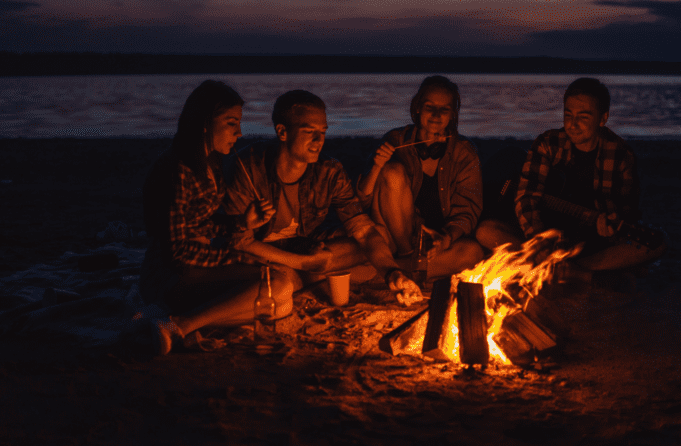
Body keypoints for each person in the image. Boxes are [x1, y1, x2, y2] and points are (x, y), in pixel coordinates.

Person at [141, 80, 329, 355]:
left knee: (281, 302)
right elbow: (178, 252)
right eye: (231, 123)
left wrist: (241, 223)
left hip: (196, 267)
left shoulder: (210, 165)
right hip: (168, 276)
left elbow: (200, 223)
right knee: (276, 287)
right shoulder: (178, 171)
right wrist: (235, 256)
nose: (239, 133)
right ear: (205, 122)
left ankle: (188, 321)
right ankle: (180, 324)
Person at [225, 90, 422, 306]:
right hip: (261, 254)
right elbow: (239, 241)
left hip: (302, 247)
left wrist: (392, 273)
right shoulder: (249, 167)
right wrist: (304, 262)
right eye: (309, 131)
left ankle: (306, 274)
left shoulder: (329, 171)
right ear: (282, 132)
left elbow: (364, 231)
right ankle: (304, 274)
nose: (319, 140)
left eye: (323, 131)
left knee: (379, 236)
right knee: (278, 274)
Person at [480, 77, 665, 285]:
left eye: (583, 117)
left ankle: (569, 269)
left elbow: (626, 210)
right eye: (568, 115)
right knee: (486, 231)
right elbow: (527, 197)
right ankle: (566, 269)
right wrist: (541, 240)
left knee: (654, 245)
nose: (572, 124)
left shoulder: (621, 155)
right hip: (545, 236)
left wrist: (611, 224)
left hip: (590, 242)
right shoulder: (549, 143)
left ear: (603, 119)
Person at [356, 75, 484, 283]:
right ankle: (408, 261)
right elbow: (361, 201)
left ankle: (389, 271)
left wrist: (446, 238)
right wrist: (377, 167)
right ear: (417, 108)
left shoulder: (464, 154)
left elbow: (467, 212)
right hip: (396, 241)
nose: (436, 115)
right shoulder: (396, 141)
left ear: (453, 114)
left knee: (473, 253)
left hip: (436, 244)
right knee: (392, 171)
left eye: (444, 109)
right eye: (429, 107)